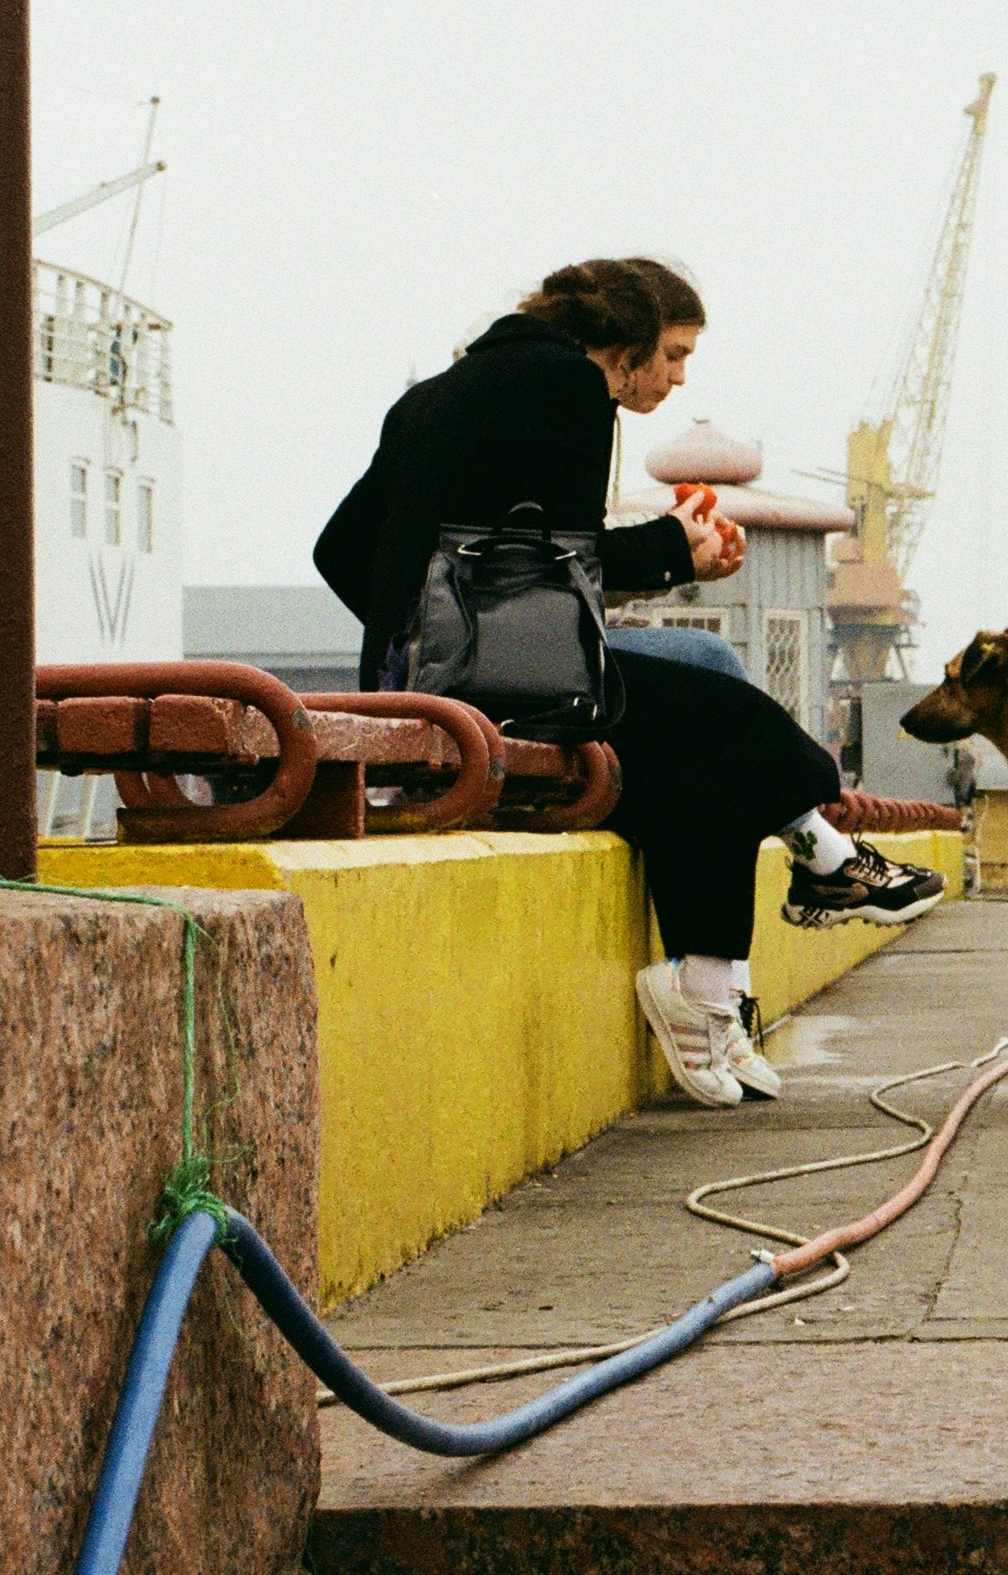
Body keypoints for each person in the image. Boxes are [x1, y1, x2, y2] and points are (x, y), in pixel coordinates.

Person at [313, 257, 944, 1108]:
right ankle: (788, 896)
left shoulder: (427, 396)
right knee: (754, 737)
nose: (678, 379)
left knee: (697, 738)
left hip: (425, 684)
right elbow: (567, 566)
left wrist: (420, 637)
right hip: (503, 694)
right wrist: (672, 549)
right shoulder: (573, 386)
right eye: (672, 357)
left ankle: (716, 985)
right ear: (625, 344)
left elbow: (339, 550)